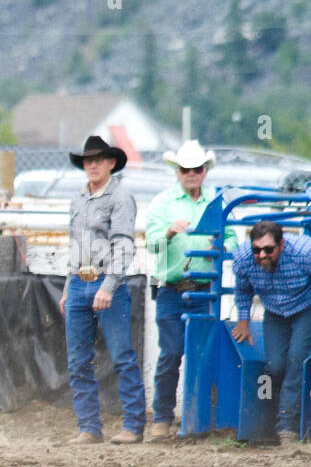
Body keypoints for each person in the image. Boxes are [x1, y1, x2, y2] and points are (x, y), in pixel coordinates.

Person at [144, 140, 238, 440]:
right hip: (172, 288)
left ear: (204, 171)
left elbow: (235, 239)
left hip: (204, 288)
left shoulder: (216, 203)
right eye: (186, 169)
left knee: (203, 353)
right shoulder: (162, 204)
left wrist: (221, 246)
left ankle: (199, 417)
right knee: (171, 353)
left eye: (196, 169)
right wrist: (169, 232)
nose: (191, 174)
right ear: (178, 172)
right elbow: (151, 245)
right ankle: (162, 416)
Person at [60, 135, 145, 444]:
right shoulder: (78, 199)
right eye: (88, 160)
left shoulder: (120, 197)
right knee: (77, 360)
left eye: (98, 159)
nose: (92, 165)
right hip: (79, 281)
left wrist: (108, 286)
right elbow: (75, 245)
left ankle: (134, 426)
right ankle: (89, 427)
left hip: (107, 282)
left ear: (111, 163)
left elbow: (123, 245)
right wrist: (69, 286)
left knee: (122, 355)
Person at [229, 220, 311, 445]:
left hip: (307, 308)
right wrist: (243, 321)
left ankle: (286, 427)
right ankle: (267, 421)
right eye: (257, 250)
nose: (262, 255)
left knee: (296, 361)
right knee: (273, 367)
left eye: (268, 249)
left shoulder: (306, 253)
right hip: (274, 311)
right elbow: (242, 289)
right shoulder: (242, 259)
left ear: (282, 245)